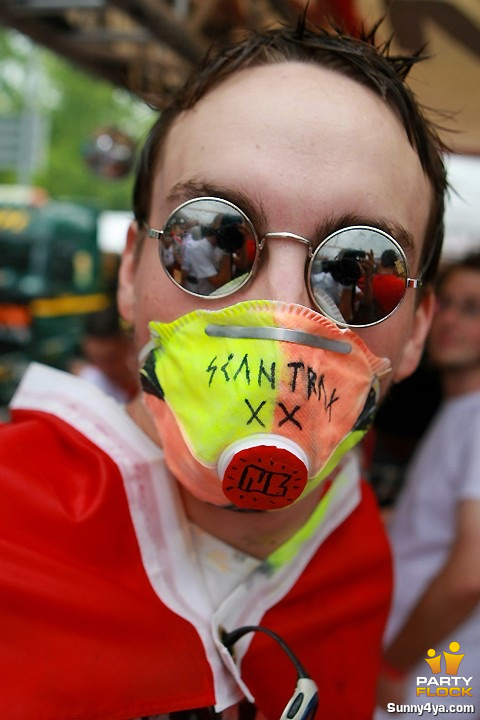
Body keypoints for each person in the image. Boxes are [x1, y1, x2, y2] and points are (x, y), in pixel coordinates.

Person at [0, 15, 447, 720]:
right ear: (130, 272)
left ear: (417, 330)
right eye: (213, 238)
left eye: (359, 267)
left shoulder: (356, 541)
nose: (278, 309)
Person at [376, 254, 480, 718]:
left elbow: (470, 574)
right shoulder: (460, 411)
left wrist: (391, 666)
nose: (450, 319)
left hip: (430, 682)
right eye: (445, 303)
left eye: (473, 308)